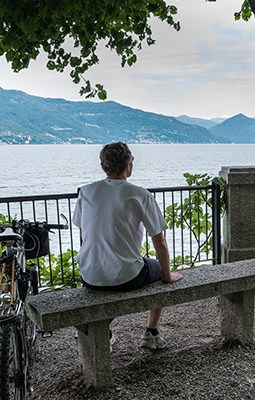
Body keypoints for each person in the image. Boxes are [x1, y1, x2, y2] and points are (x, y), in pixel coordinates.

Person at [72, 142, 183, 350]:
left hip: (88, 274)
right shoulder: (140, 194)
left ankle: (103, 331)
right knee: (158, 272)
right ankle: (151, 333)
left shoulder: (86, 192)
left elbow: (83, 236)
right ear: (128, 167)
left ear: (104, 166)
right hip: (126, 276)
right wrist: (167, 276)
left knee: (112, 279)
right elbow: (160, 241)